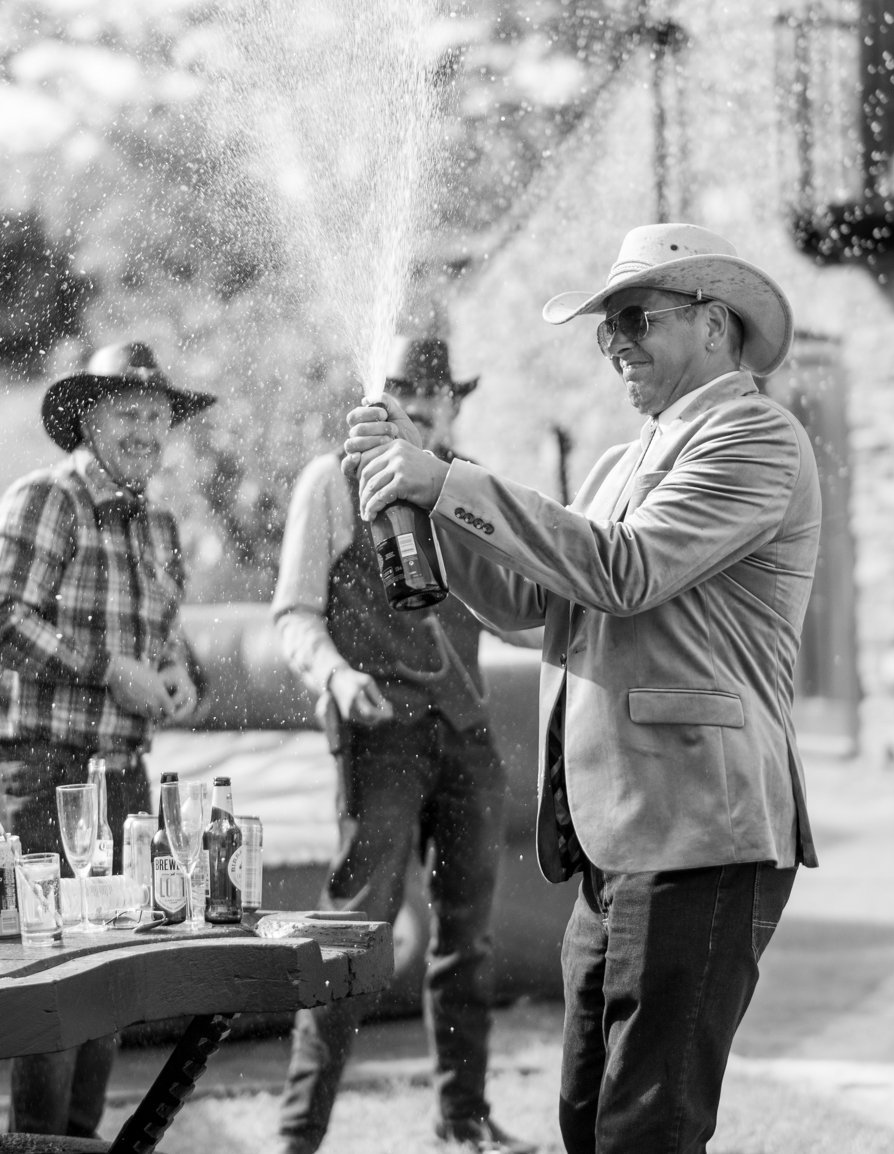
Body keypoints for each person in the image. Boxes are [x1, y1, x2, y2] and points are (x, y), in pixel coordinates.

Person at [345, 224, 821, 1153]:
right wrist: (431, 512)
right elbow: (528, 602)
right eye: (606, 329)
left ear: (715, 325)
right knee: (585, 1117)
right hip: (616, 837)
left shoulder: (757, 434)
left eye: (634, 319)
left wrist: (445, 481)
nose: (615, 345)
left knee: (646, 1129)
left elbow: (623, 570)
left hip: (701, 828)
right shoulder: (620, 459)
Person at [269, 336, 533, 1154]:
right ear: (379, 398)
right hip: (379, 735)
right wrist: (334, 679)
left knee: (468, 942)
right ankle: (297, 1137)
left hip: (467, 737)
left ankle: (463, 1124)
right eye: (404, 390)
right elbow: (294, 616)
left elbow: (519, 606)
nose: (421, 404)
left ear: (454, 403)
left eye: (436, 393)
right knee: (353, 938)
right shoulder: (330, 480)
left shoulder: (471, 485)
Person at [0, 340, 211, 1137]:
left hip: (122, 776)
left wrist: (176, 674)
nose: (145, 428)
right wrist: (110, 669)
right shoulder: (45, 500)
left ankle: (74, 1144)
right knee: (54, 988)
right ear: (87, 420)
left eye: (156, 414)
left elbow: (164, 640)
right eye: (126, 412)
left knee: (108, 983)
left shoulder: (161, 525)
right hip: (40, 772)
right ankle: (40, 1150)